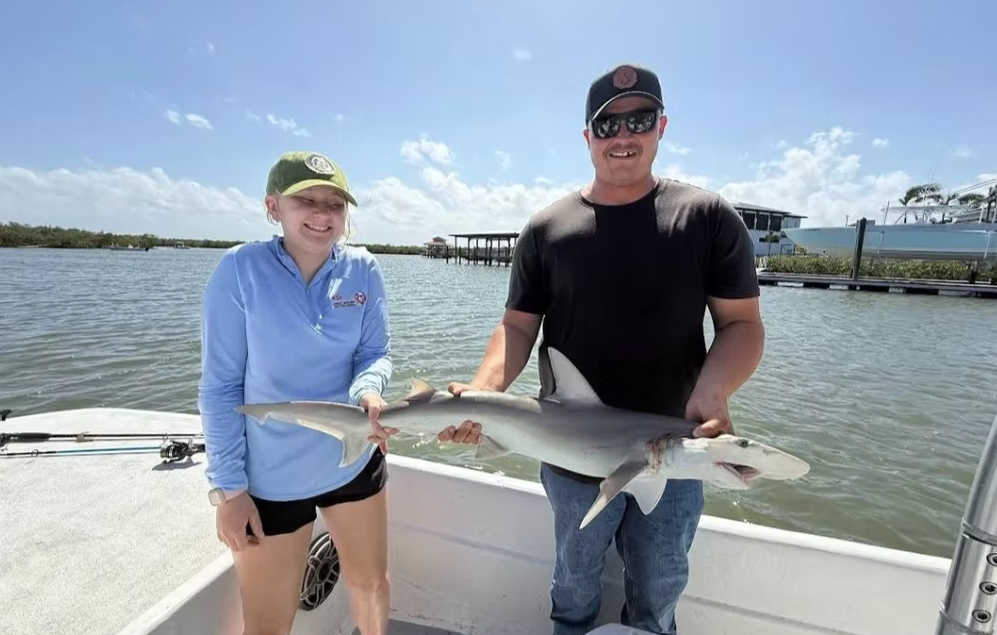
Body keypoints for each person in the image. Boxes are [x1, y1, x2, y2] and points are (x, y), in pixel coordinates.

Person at [437, 63, 764, 635]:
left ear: (661, 126)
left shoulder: (707, 218)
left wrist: (712, 393)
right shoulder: (547, 228)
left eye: (638, 120)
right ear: (588, 137)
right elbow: (518, 327)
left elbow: (741, 324)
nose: (623, 136)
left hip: (675, 445)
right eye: (607, 125)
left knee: (661, 589)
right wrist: (485, 392)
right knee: (573, 581)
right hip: (569, 446)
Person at [197, 150, 398, 635]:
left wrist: (370, 390)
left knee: (371, 583)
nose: (322, 214)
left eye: (335, 204)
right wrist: (230, 489)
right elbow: (220, 387)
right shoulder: (239, 271)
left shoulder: (364, 270)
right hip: (270, 477)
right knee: (267, 624)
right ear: (273, 208)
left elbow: (375, 353)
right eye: (305, 200)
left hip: (352, 457)